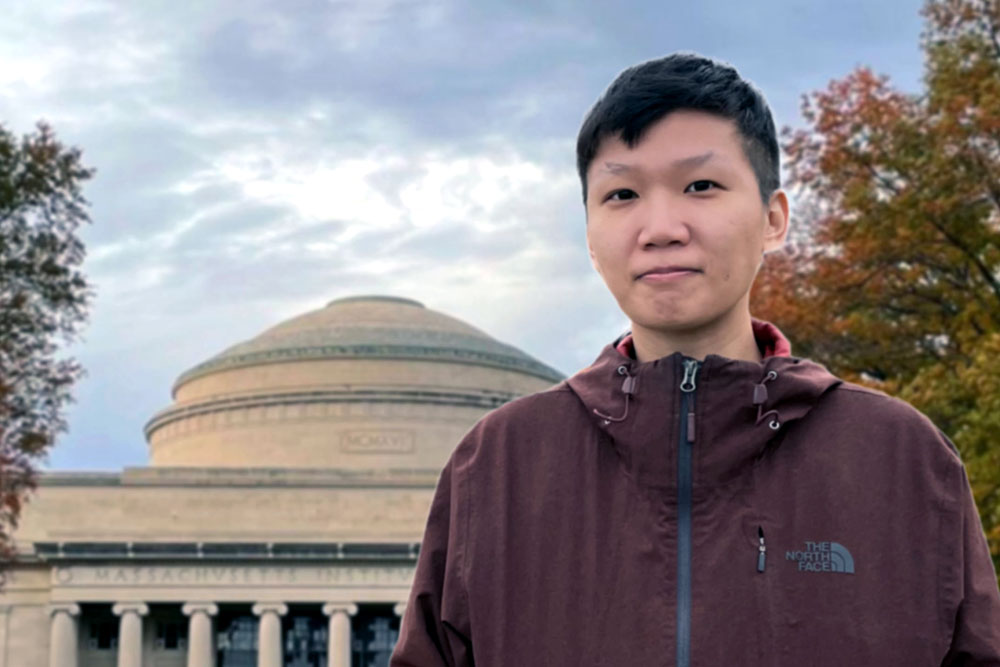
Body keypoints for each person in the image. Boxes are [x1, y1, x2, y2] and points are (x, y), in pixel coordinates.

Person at [389, 53, 1000, 666]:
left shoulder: (900, 459)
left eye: (701, 186)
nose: (660, 227)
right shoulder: (500, 466)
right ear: (590, 239)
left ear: (773, 219)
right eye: (622, 193)